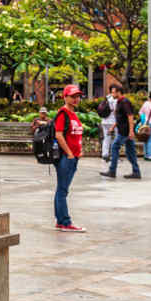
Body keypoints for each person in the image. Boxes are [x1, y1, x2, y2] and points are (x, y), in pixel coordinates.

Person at [52, 84, 86, 233]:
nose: (76, 99)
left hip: (73, 156)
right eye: (72, 96)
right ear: (65, 97)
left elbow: (76, 134)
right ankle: (65, 222)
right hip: (66, 158)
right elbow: (58, 134)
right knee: (62, 190)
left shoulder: (73, 114)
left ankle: (61, 221)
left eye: (78, 96)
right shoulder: (63, 113)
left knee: (62, 189)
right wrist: (69, 153)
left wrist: (79, 150)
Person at [100, 83, 142, 180]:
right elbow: (119, 117)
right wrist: (113, 126)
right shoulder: (118, 102)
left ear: (119, 92)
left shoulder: (125, 102)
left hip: (125, 131)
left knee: (115, 147)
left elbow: (130, 116)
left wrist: (131, 131)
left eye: (113, 92)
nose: (111, 94)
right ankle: (136, 172)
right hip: (123, 130)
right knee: (130, 152)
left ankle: (112, 171)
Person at [98, 89, 118, 161]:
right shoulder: (114, 101)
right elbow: (116, 112)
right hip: (112, 122)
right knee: (115, 139)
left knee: (106, 138)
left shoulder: (106, 99)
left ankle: (104, 154)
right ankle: (114, 156)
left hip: (104, 121)